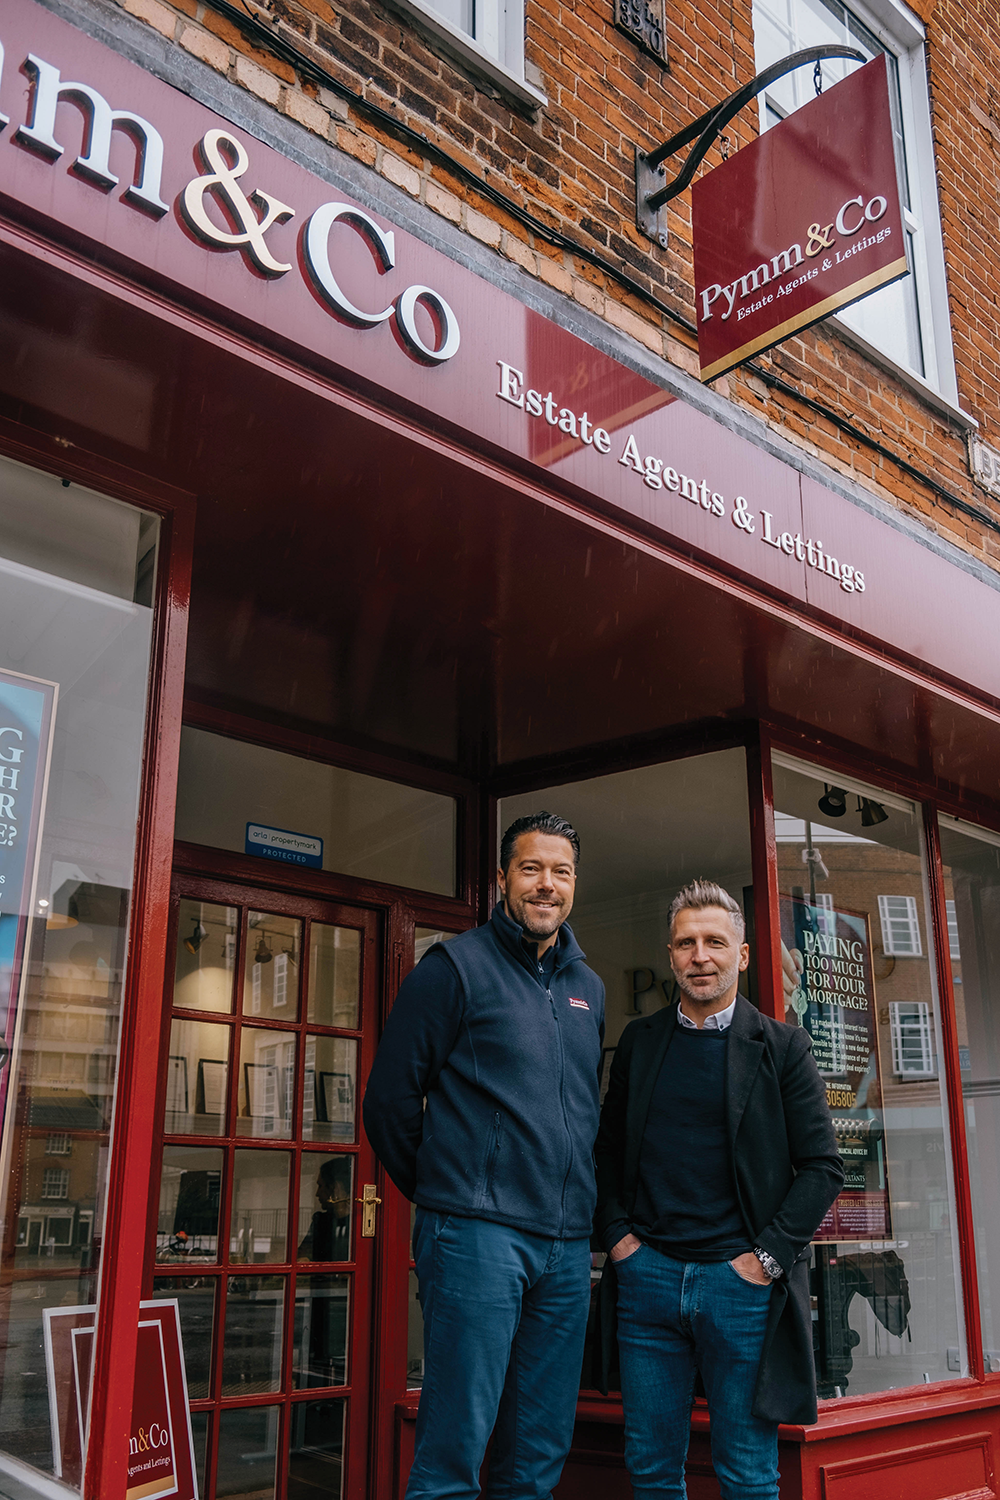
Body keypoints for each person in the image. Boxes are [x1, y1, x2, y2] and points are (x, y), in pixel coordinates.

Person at [363, 812, 605, 1500]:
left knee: (536, 1454)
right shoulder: (453, 969)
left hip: (564, 1250)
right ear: (503, 879)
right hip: (477, 1238)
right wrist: (452, 1193)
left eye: (560, 871)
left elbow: (583, 1111)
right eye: (531, 869)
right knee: (454, 1450)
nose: (546, 885)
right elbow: (389, 1102)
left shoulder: (591, 988)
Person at [594, 879, 844, 1500]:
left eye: (713, 941)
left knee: (749, 1473)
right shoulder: (641, 1042)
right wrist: (620, 1238)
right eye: (685, 943)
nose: (699, 955)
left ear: (744, 954)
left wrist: (764, 1260)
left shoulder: (783, 1047)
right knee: (651, 1469)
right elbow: (606, 1151)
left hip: (741, 1286)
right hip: (646, 1278)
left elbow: (822, 1167)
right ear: (671, 953)